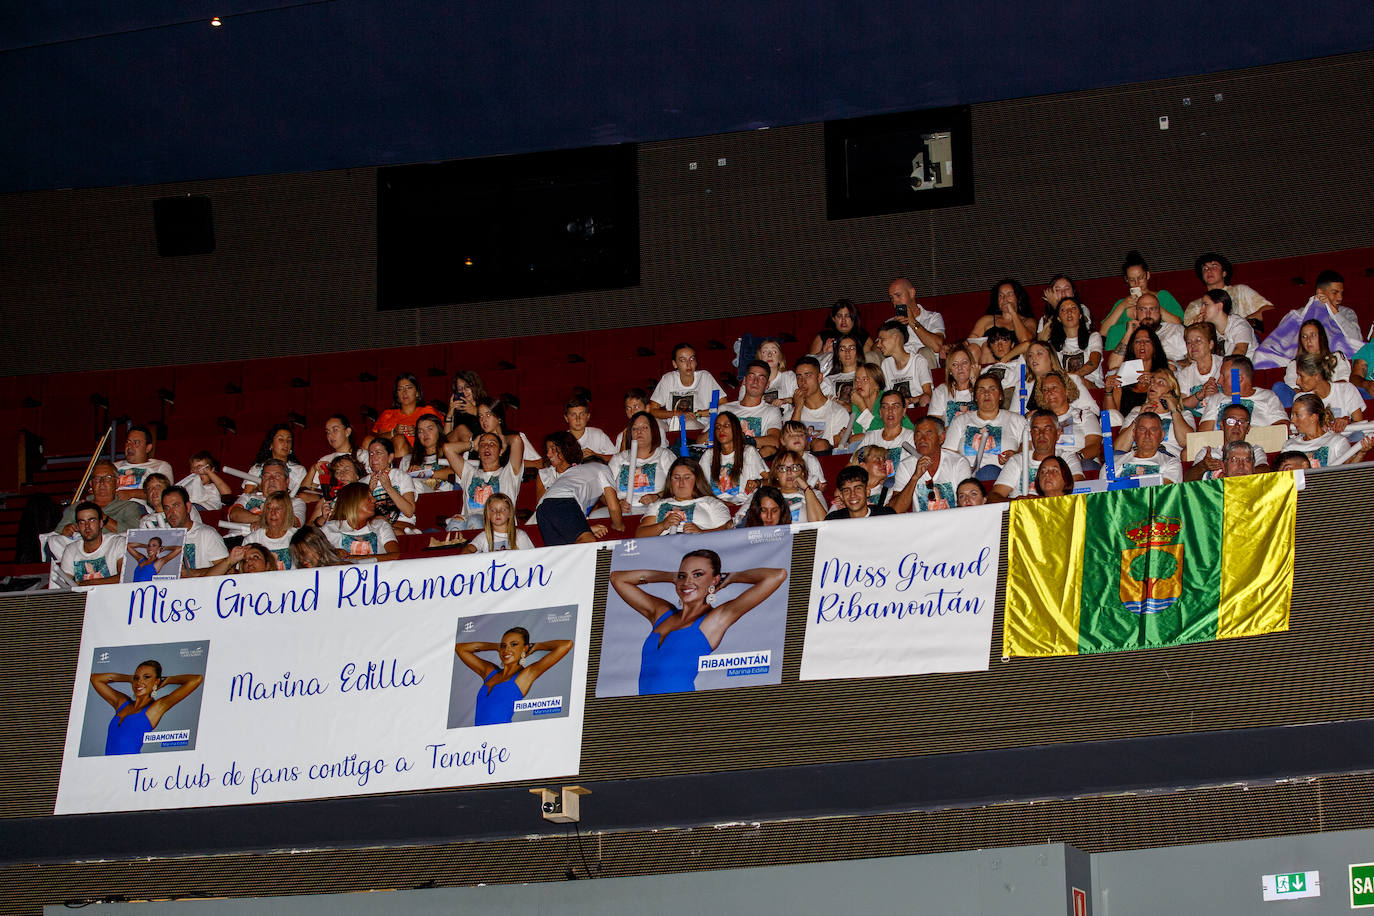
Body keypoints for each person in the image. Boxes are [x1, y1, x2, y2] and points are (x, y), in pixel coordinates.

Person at [609, 550, 787, 695]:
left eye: (698, 575)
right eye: (683, 575)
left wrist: (732, 577)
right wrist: (670, 576)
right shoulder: (661, 613)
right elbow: (617, 578)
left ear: (715, 580)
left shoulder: (714, 621)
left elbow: (777, 575)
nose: (688, 582)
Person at [456, 628, 575, 725]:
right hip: (476, 740)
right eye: (504, 645)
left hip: (500, 739)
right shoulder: (489, 672)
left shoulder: (525, 676)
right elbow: (460, 648)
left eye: (514, 645)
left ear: (525, 648)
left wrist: (537, 646)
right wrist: (495, 646)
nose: (507, 650)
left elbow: (566, 645)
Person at [90, 660, 203, 756]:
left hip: (129, 770)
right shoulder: (122, 703)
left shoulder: (155, 708)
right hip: (106, 768)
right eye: (137, 678)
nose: (140, 682)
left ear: (156, 681)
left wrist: (168, 680)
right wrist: (129, 678)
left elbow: (196, 679)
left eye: (146, 677)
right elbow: (95, 678)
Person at [944, 373, 1027, 481]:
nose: (986, 393)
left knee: (990, 473)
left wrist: (1016, 454)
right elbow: (948, 456)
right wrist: (963, 469)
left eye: (992, 389)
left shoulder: (1017, 420)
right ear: (976, 397)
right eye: (981, 390)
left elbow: (1029, 447)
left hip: (1006, 480)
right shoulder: (960, 421)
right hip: (969, 482)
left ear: (1001, 395)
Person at [534, 450, 624, 546]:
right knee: (587, 541)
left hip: (542, 509)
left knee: (561, 553)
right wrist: (618, 526)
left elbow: (567, 520)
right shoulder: (604, 468)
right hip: (563, 500)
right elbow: (613, 507)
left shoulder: (573, 473)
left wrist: (588, 529)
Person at [1099, 250, 1184, 351]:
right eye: (1132, 280)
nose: (1137, 283)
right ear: (1126, 280)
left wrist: (1150, 304)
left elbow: (1178, 322)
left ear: (1148, 275)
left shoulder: (1163, 296)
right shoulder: (1123, 304)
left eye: (1141, 278)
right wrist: (1122, 306)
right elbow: (1103, 332)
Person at [992, 410, 1085, 500]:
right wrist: (1020, 503)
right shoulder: (1017, 460)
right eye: (1036, 430)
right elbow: (994, 497)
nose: (1041, 434)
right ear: (1031, 434)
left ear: (1058, 433)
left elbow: (1079, 494)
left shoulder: (1067, 458)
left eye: (1047, 429)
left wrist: (1040, 502)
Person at [636, 458, 733, 536]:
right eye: (676, 478)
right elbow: (640, 535)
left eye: (687, 477)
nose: (681, 483)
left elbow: (728, 531)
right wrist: (662, 525)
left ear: (697, 480)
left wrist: (701, 533)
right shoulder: (657, 505)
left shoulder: (712, 503)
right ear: (670, 481)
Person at [51, 460, 145, 540]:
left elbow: (134, 535)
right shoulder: (78, 506)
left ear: (117, 482)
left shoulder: (129, 507)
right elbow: (58, 533)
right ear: (91, 484)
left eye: (108, 478)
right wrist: (65, 531)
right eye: (97, 478)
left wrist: (103, 518)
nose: (102, 482)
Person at [445, 431, 524, 527]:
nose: (487, 447)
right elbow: (447, 448)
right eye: (482, 444)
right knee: (455, 523)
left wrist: (502, 438)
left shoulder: (508, 473)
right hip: (468, 522)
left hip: (497, 524)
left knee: (474, 521)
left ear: (501, 451)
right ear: (478, 452)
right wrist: (472, 444)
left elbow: (516, 440)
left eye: (492, 444)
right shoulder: (469, 473)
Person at [1029, 371, 1103, 468]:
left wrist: (1075, 458)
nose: (1050, 392)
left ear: (1067, 391)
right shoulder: (1036, 420)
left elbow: (1095, 446)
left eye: (1054, 387)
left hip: (1079, 462)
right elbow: (1027, 448)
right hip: (1045, 466)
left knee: (1086, 465)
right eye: (1045, 390)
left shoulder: (1084, 415)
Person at [648, 342, 725, 435]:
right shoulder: (668, 379)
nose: (688, 364)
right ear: (675, 364)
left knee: (688, 423)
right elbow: (652, 410)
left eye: (692, 359)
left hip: (698, 425)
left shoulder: (705, 377)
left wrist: (699, 414)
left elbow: (724, 405)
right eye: (682, 360)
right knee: (649, 424)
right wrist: (676, 414)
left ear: (696, 362)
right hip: (671, 426)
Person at [1197, 355, 1289, 431]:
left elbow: (1283, 428)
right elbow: (1203, 435)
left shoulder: (1268, 397)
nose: (1219, 381)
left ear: (1238, 378)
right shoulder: (1216, 399)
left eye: (1223, 376)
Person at [1280, 394, 1374, 467]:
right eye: (1292, 415)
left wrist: (1361, 453)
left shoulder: (1337, 441)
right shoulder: (1289, 445)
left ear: (1313, 417)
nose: (1292, 420)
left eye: (1297, 415)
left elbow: (1348, 472)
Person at [608, 411, 676, 511]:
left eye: (644, 427)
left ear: (653, 431)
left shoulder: (665, 455)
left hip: (655, 509)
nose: (639, 432)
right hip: (622, 511)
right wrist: (617, 503)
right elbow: (604, 491)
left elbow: (678, 485)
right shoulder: (619, 459)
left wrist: (657, 496)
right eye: (635, 428)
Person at [902, 416, 973, 512]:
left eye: (928, 434)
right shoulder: (905, 465)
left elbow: (967, 504)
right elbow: (896, 510)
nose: (922, 439)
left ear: (941, 438)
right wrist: (915, 477)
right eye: (918, 435)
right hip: (921, 525)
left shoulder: (959, 463)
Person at [736, 449, 827, 524]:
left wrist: (807, 489)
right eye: (782, 469)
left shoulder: (814, 494)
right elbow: (740, 521)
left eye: (794, 468)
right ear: (776, 475)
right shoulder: (763, 495)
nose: (789, 472)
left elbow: (822, 524)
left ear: (802, 472)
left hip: (802, 542)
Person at [1116, 369, 1194, 455]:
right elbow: (1119, 449)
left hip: (1167, 460)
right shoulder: (1136, 413)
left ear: (1171, 392)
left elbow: (1187, 444)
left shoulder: (1184, 415)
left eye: (1160, 382)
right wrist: (1139, 418)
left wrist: (1174, 410)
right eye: (1151, 382)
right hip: (1137, 458)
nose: (1153, 385)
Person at [1183, 251, 1274, 325]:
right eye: (1205, 269)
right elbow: (1187, 331)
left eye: (1214, 266)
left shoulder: (1240, 291)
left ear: (1224, 273)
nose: (1209, 270)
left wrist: (1242, 323)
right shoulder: (1195, 305)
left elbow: (1268, 309)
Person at [699, 411, 767, 505]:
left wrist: (758, 482)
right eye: (718, 427)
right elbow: (700, 486)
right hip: (716, 506)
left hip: (743, 505)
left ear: (736, 429)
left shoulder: (748, 452)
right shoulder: (708, 455)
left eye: (726, 425)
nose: (721, 430)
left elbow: (771, 480)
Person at [1186, 404, 1270, 481]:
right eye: (1231, 421)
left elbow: (1265, 471)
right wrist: (1203, 466)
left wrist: (1235, 472)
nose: (1237, 426)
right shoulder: (1209, 453)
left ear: (1248, 428)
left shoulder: (1255, 450)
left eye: (1242, 422)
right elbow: (1187, 481)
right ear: (1222, 425)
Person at [52, 502, 127, 587]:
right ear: (78, 527)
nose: (87, 526)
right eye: (82, 522)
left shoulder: (118, 543)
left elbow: (124, 578)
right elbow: (66, 585)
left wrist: (86, 583)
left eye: (92, 520)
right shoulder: (70, 550)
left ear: (101, 523)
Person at [157, 486, 228, 576]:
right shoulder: (162, 537)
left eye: (176, 506)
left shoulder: (207, 534)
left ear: (188, 507)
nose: (171, 512)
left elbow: (228, 571)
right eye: (167, 508)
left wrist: (193, 573)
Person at [368, 372, 443, 456]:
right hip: (392, 455)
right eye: (400, 389)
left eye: (409, 388)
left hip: (422, 453)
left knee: (399, 439)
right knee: (369, 440)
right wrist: (394, 432)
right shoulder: (388, 414)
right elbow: (379, 440)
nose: (404, 392)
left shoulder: (428, 411)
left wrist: (420, 432)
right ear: (397, 395)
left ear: (417, 393)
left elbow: (442, 434)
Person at [787, 357, 851, 453]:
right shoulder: (791, 414)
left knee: (820, 445)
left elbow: (838, 449)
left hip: (826, 462)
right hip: (797, 464)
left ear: (819, 378)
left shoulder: (838, 412)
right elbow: (789, 446)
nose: (802, 381)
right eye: (799, 376)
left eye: (808, 375)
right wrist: (798, 409)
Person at [1104, 326, 1169, 420]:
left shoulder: (1164, 376)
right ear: (1132, 347)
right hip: (1126, 427)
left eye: (1147, 341)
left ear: (1155, 346)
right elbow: (1111, 417)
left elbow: (1170, 406)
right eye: (1137, 341)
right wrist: (1108, 391)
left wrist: (1154, 384)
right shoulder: (1122, 374)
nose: (1142, 344)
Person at [321, 482, 400, 559]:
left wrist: (357, 559)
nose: (374, 500)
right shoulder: (329, 528)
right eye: (368, 497)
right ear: (354, 501)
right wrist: (332, 554)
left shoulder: (381, 525)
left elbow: (396, 556)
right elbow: (315, 557)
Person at [722, 360, 785, 455]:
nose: (755, 381)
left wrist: (739, 441)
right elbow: (701, 440)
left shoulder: (772, 411)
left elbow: (775, 441)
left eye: (761, 378)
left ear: (767, 385)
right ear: (744, 380)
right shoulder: (725, 409)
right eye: (751, 376)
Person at [1105, 293, 1185, 367]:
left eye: (1152, 309)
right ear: (1135, 313)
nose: (1148, 314)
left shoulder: (1175, 330)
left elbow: (1193, 361)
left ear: (1160, 313)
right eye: (1143, 309)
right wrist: (1129, 334)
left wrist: (1174, 365)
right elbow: (1113, 366)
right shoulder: (1129, 335)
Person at [1292, 352, 1365, 427]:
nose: (1297, 382)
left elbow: (1359, 424)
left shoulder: (1346, 389)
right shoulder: (1300, 399)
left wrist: (1347, 422)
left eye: (1301, 376)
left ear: (1317, 376)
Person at [229, 459, 308, 529]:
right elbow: (233, 514)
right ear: (262, 481)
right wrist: (262, 519)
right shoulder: (247, 496)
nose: (271, 480)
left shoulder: (296, 502)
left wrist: (263, 523)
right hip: (236, 538)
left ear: (287, 482)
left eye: (277, 476)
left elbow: (294, 523)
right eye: (267, 476)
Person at [887, 277, 945, 369]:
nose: (895, 302)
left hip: (925, 366)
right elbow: (876, 350)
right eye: (892, 298)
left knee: (925, 351)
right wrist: (891, 331)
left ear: (911, 293)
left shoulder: (932, 317)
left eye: (898, 295)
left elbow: (937, 346)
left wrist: (912, 321)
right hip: (900, 368)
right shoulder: (890, 323)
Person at [968, 278, 1036, 354]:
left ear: (1018, 298)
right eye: (1001, 295)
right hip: (990, 362)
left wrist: (1013, 313)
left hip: (1017, 363)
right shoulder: (986, 320)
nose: (1004, 299)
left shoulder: (1028, 322)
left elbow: (1026, 342)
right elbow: (970, 342)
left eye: (1009, 294)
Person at [1047, 297, 1103, 388]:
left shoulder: (1093, 337)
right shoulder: (1053, 344)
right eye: (1063, 310)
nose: (1069, 312)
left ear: (1080, 315)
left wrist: (1072, 378)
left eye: (1073, 308)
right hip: (1064, 389)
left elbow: (1093, 362)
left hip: (1091, 386)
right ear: (1059, 318)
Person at [303, 413, 362, 498]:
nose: (330, 435)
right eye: (327, 432)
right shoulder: (325, 460)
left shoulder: (362, 455)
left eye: (335, 430)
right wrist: (313, 469)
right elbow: (305, 493)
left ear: (347, 432)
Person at [875, 320, 933, 407]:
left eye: (881, 340)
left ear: (895, 338)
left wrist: (909, 400)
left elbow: (928, 393)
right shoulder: (886, 364)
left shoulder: (918, 361)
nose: (878, 345)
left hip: (916, 409)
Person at [1113, 413, 1183, 484]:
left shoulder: (1172, 463)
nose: (1147, 435)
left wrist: (1121, 483)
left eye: (1153, 429)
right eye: (1142, 429)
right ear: (1134, 434)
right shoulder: (1114, 462)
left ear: (1162, 435)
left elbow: (1166, 488)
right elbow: (1103, 489)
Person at [364, 437, 418, 530]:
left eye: (378, 453)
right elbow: (359, 515)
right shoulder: (363, 482)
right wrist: (369, 492)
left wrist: (389, 488)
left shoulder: (402, 476)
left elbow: (409, 512)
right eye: (371, 454)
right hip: (375, 526)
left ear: (390, 457)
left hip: (401, 524)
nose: (373, 458)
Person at [1284, 319, 1352, 391]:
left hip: (1335, 397)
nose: (1308, 340)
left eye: (1313, 335)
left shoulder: (1336, 357)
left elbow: (1344, 382)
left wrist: (1321, 391)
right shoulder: (1294, 364)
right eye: (1304, 336)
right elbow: (1292, 388)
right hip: (1307, 400)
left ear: (1321, 337)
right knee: (1279, 387)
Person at [1177, 323, 1224, 421]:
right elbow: (1181, 405)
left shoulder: (1225, 364)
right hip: (1197, 419)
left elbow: (1237, 395)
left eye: (1198, 340)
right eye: (1189, 342)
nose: (1192, 345)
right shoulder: (1184, 374)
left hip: (1222, 415)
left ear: (1210, 344)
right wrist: (1200, 394)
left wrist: (1217, 395)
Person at [243, 424, 307, 495]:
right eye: (281, 439)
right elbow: (246, 495)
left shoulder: (299, 471)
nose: (285, 444)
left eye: (289, 440)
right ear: (271, 444)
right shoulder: (258, 468)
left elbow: (301, 497)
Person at [242, 491, 299, 569]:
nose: (273, 513)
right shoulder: (252, 539)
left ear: (287, 512)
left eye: (278, 508)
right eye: (269, 508)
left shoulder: (297, 537)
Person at [114, 426, 174, 501]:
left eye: (136, 442)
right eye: (128, 442)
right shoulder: (114, 466)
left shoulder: (161, 466)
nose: (129, 446)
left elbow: (165, 493)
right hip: (112, 505)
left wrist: (131, 494)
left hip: (139, 507)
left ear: (148, 448)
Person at [463, 493, 535, 552]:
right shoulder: (484, 536)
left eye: (503, 510)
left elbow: (531, 558)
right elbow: (469, 548)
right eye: (493, 510)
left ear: (510, 513)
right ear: (488, 514)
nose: (498, 513)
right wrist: (468, 551)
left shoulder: (520, 536)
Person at [400, 414, 455, 491]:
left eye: (430, 429)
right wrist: (408, 475)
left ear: (439, 431)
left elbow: (457, 473)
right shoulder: (407, 460)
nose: (425, 434)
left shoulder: (451, 455)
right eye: (420, 431)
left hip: (444, 497)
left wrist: (423, 473)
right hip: (417, 497)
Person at [1198, 288, 1257, 357]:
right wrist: (1198, 328)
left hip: (1245, 366)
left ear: (1219, 306)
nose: (1201, 310)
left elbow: (1240, 352)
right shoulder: (1210, 330)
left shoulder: (1239, 324)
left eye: (1206, 305)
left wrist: (1232, 368)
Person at [310, 453, 365, 526]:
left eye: (346, 470)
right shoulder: (328, 498)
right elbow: (310, 526)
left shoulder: (365, 494)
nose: (342, 474)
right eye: (337, 472)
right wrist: (323, 518)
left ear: (357, 475)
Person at [843, 363, 891, 444]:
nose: (859, 383)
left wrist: (862, 406)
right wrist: (848, 435)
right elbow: (856, 434)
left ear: (877, 384)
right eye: (857, 379)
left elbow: (884, 433)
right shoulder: (856, 403)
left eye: (865, 379)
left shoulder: (887, 401)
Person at [978, 327, 1025, 408]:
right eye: (995, 342)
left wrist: (1006, 358)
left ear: (1012, 344)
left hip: (1009, 396)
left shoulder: (1018, 362)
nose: (1000, 346)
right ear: (990, 348)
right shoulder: (985, 369)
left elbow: (1028, 344)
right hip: (988, 397)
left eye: (1004, 341)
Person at [825, 466, 896, 520]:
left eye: (858, 488)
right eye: (847, 490)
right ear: (841, 496)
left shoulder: (886, 516)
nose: (852, 494)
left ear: (867, 492)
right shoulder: (833, 520)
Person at [929, 347, 976, 426]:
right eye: (954, 364)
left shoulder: (982, 388)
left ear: (972, 365)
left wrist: (975, 381)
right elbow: (933, 427)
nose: (960, 368)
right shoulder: (941, 391)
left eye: (964, 363)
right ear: (950, 370)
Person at [808, 299, 873, 357]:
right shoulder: (823, 336)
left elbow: (871, 362)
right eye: (839, 316)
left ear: (854, 318)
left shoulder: (863, 336)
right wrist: (823, 353)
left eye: (847, 316)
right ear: (833, 318)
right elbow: (810, 363)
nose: (843, 320)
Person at [562, 395, 616, 461]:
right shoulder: (561, 440)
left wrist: (595, 456)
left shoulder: (597, 434)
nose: (578, 419)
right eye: (573, 415)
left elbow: (616, 458)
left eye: (582, 414)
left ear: (588, 416)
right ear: (566, 418)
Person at [777, 420, 827, 490]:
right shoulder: (780, 460)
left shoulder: (811, 459)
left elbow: (822, 485)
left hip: (809, 494)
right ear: (783, 441)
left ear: (806, 439)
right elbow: (775, 483)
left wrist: (817, 486)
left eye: (801, 435)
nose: (797, 437)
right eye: (791, 435)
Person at [820, 332, 863, 405]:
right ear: (838, 355)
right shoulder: (828, 381)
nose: (847, 352)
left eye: (851, 348)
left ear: (858, 353)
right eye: (842, 349)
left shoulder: (869, 375)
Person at [755, 338, 797, 404]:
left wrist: (785, 400)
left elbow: (802, 398)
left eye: (774, 352)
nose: (769, 355)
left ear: (780, 358)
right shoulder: (752, 379)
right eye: (764, 352)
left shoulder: (788, 376)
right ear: (760, 358)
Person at [204, 543, 278, 576]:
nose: (250, 561)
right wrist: (229, 561)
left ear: (267, 565)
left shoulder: (278, 584)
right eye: (245, 560)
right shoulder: (237, 583)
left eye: (256, 557)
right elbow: (205, 581)